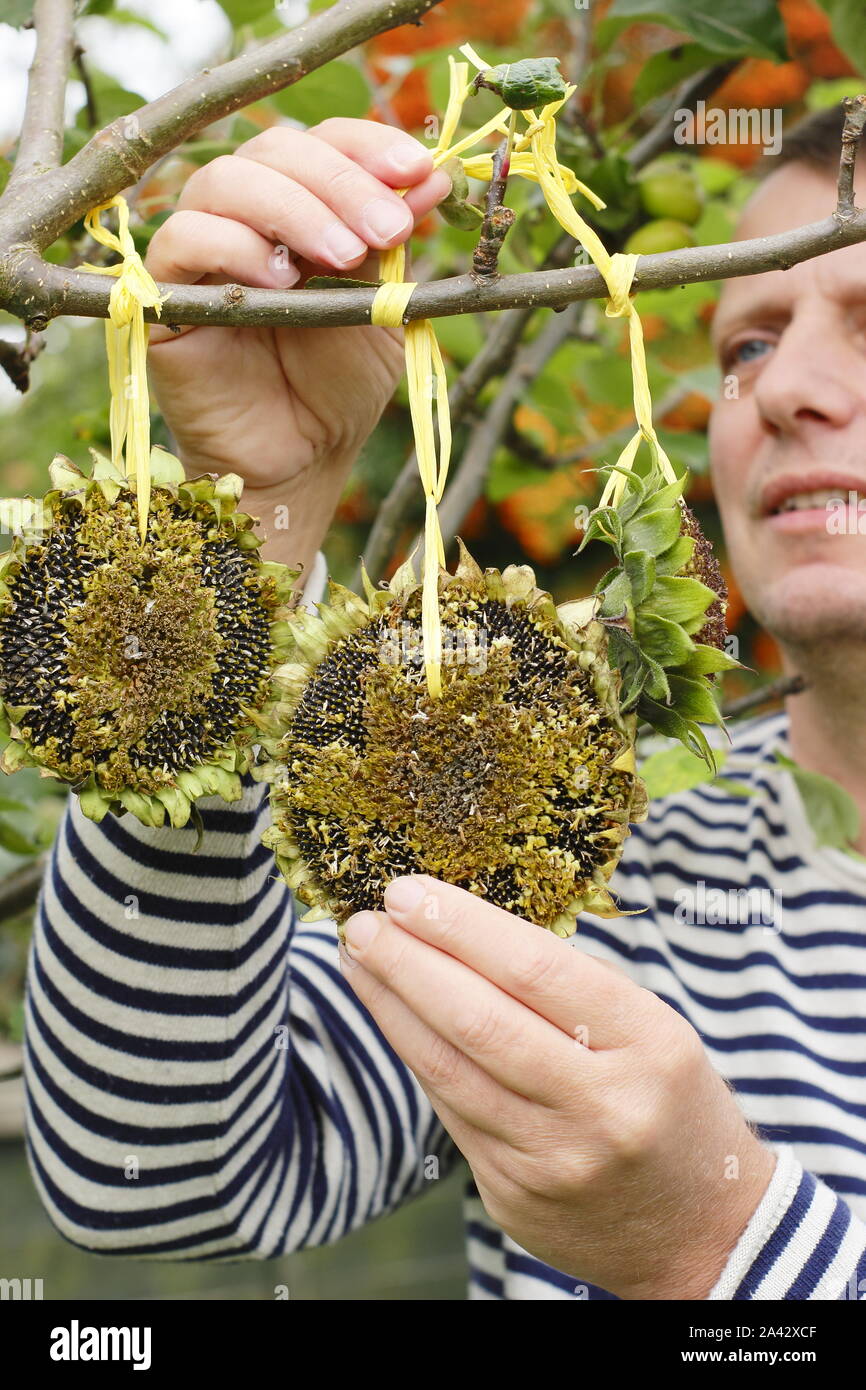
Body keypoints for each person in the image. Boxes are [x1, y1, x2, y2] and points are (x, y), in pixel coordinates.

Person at [21, 105, 866, 1300]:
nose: (784, 391)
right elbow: (155, 1172)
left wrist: (710, 1249)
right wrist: (246, 525)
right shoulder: (585, 846)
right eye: (747, 345)